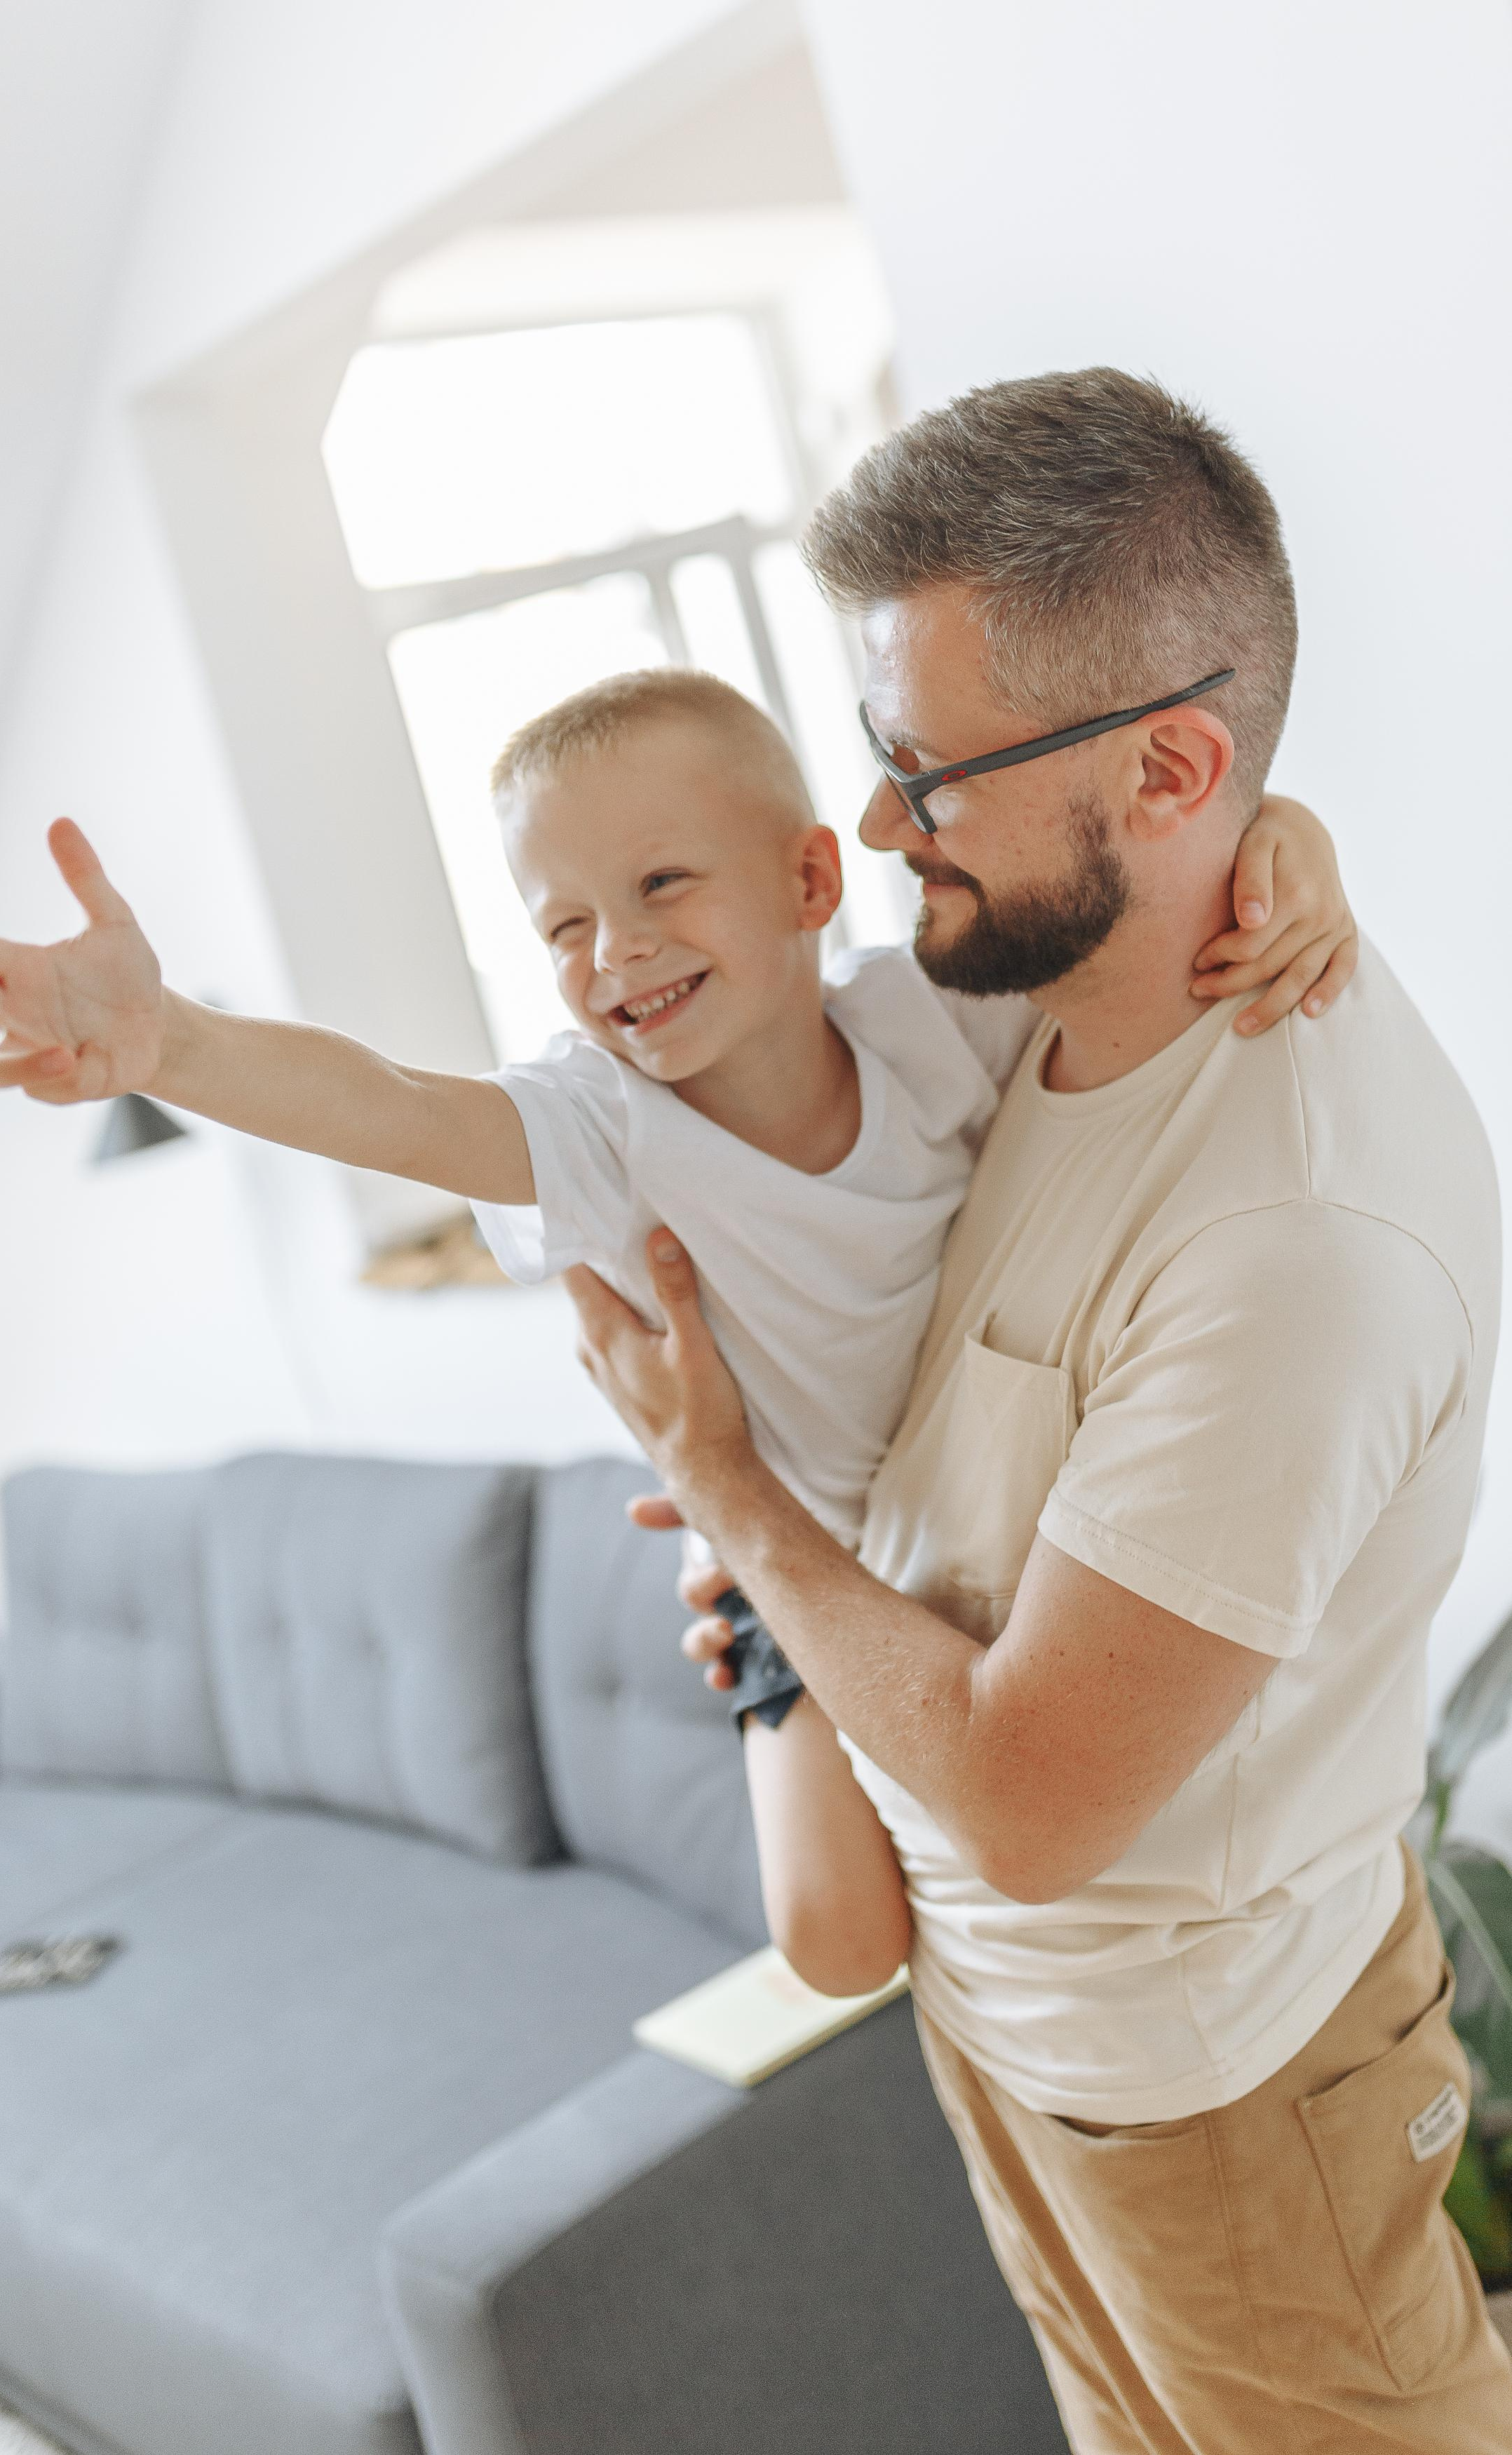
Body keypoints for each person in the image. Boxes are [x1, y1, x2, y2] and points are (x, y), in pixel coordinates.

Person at [562, 369, 1511, 2452]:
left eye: (927, 772)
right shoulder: (1029, 1005)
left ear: (1168, 765)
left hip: (1216, 2089)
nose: (882, 826)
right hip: (1019, 2027)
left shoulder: (1294, 1243)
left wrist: (728, 1490)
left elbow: (1023, 1799)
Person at [0, 671, 1342, 1743]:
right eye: (564, 924)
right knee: (834, 1927)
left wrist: (1289, 837)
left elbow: (1137, 910)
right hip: (813, 1573)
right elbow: (394, 1102)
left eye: (660, 885)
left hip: (1004, 1515)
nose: (614, 951)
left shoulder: (926, 1020)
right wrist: (174, 1050)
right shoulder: (601, 1128)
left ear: (810, 878)